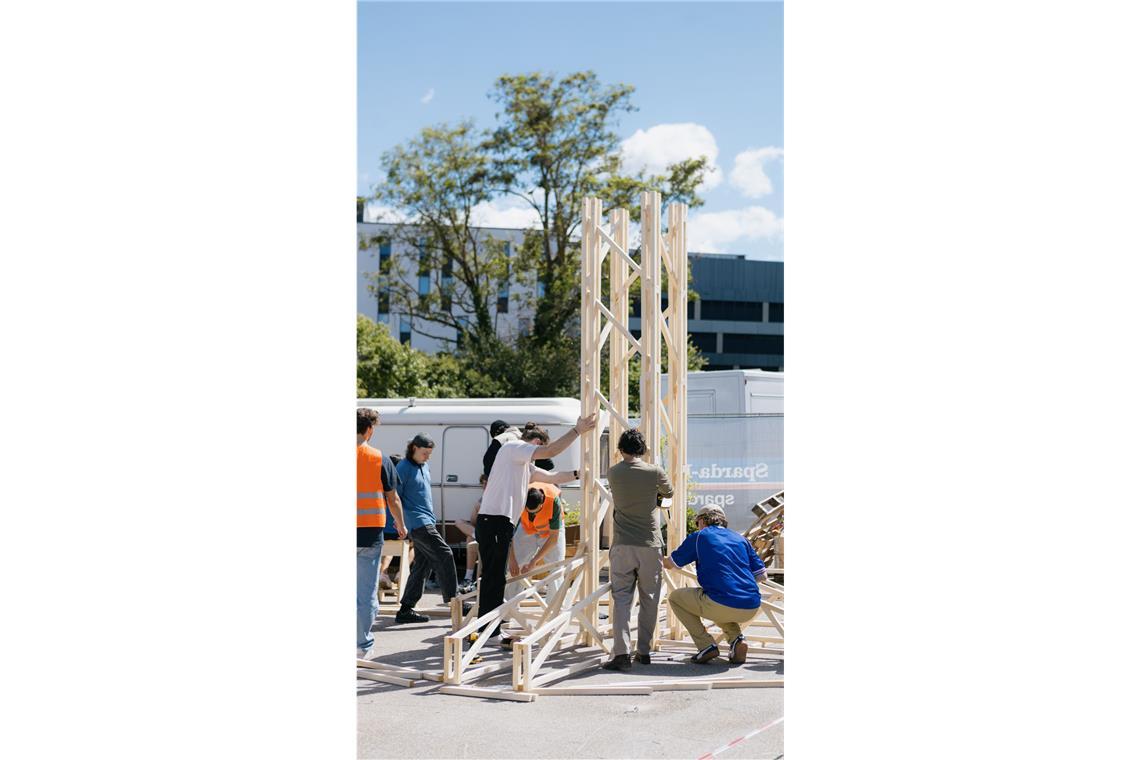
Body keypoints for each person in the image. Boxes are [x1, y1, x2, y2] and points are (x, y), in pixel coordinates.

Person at [477, 416, 596, 649]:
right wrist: (577, 431)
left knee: (496, 577)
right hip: (494, 521)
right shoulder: (513, 449)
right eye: (538, 447)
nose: (539, 452)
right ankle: (488, 631)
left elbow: (551, 477)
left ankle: (489, 629)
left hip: (498, 522)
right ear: (531, 441)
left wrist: (579, 473)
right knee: (493, 578)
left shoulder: (522, 465)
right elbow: (550, 451)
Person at [599, 429, 674, 671]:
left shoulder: (613, 473)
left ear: (620, 449)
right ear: (643, 449)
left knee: (621, 599)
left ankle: (621, 653)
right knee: (649, 599)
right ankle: (644, 651)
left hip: (622, 544)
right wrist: (656, 498)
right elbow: (669, 493)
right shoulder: (654, 472)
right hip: (649, 544)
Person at [665, 504, 768, 664]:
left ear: (702, 520)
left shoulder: (699, 536)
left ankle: (706, 645)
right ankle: (737, 640)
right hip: (751, 605)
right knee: (720, 601)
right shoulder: (741, 538)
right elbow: (762, 576)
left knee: (675, 598)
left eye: (697, 522)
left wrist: (654, 558)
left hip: (720, 603)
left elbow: (672, 563)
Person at [393, 433, 467, 624]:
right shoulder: (403, 467)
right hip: (417, 523)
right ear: (414, 448)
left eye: (430, 454)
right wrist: (400, 523)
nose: (428, 457)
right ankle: (454, 600)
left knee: (422, 566)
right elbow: (394, 497)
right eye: (425, 453)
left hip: (427, 520)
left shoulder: (423, 466)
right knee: (445, 553)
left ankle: (406, 610)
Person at [357, 409, 407, 659]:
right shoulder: (379, 458)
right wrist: (400, 525)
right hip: (368, 533)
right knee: (365, 594)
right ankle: (362, 645)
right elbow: (393, 498)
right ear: (370, 430)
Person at [505, 482, 567, 602]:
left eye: (536, 511)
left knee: (557, 566)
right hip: (527, 528)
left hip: (550, 531)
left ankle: (554, 610)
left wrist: (534, 561)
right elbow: (508, 533)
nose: (533, 514)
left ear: (542, 501)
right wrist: (513, 560)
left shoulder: (553, 502)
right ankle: (508, 608)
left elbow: (553, 539)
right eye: (530, 512)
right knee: (514, 568)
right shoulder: (519, 498)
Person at [453, 475, 486, 594]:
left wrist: (478, 507)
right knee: (462, 527)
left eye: (486, 483)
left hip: (491, 532)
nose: (484, 486)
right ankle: (468, 578)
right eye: (483, 484)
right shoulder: (482, 498)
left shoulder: (496, 496)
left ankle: (468, 577)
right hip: (480, 530)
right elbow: (473, 521)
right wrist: (477, 507)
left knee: (470, 540)